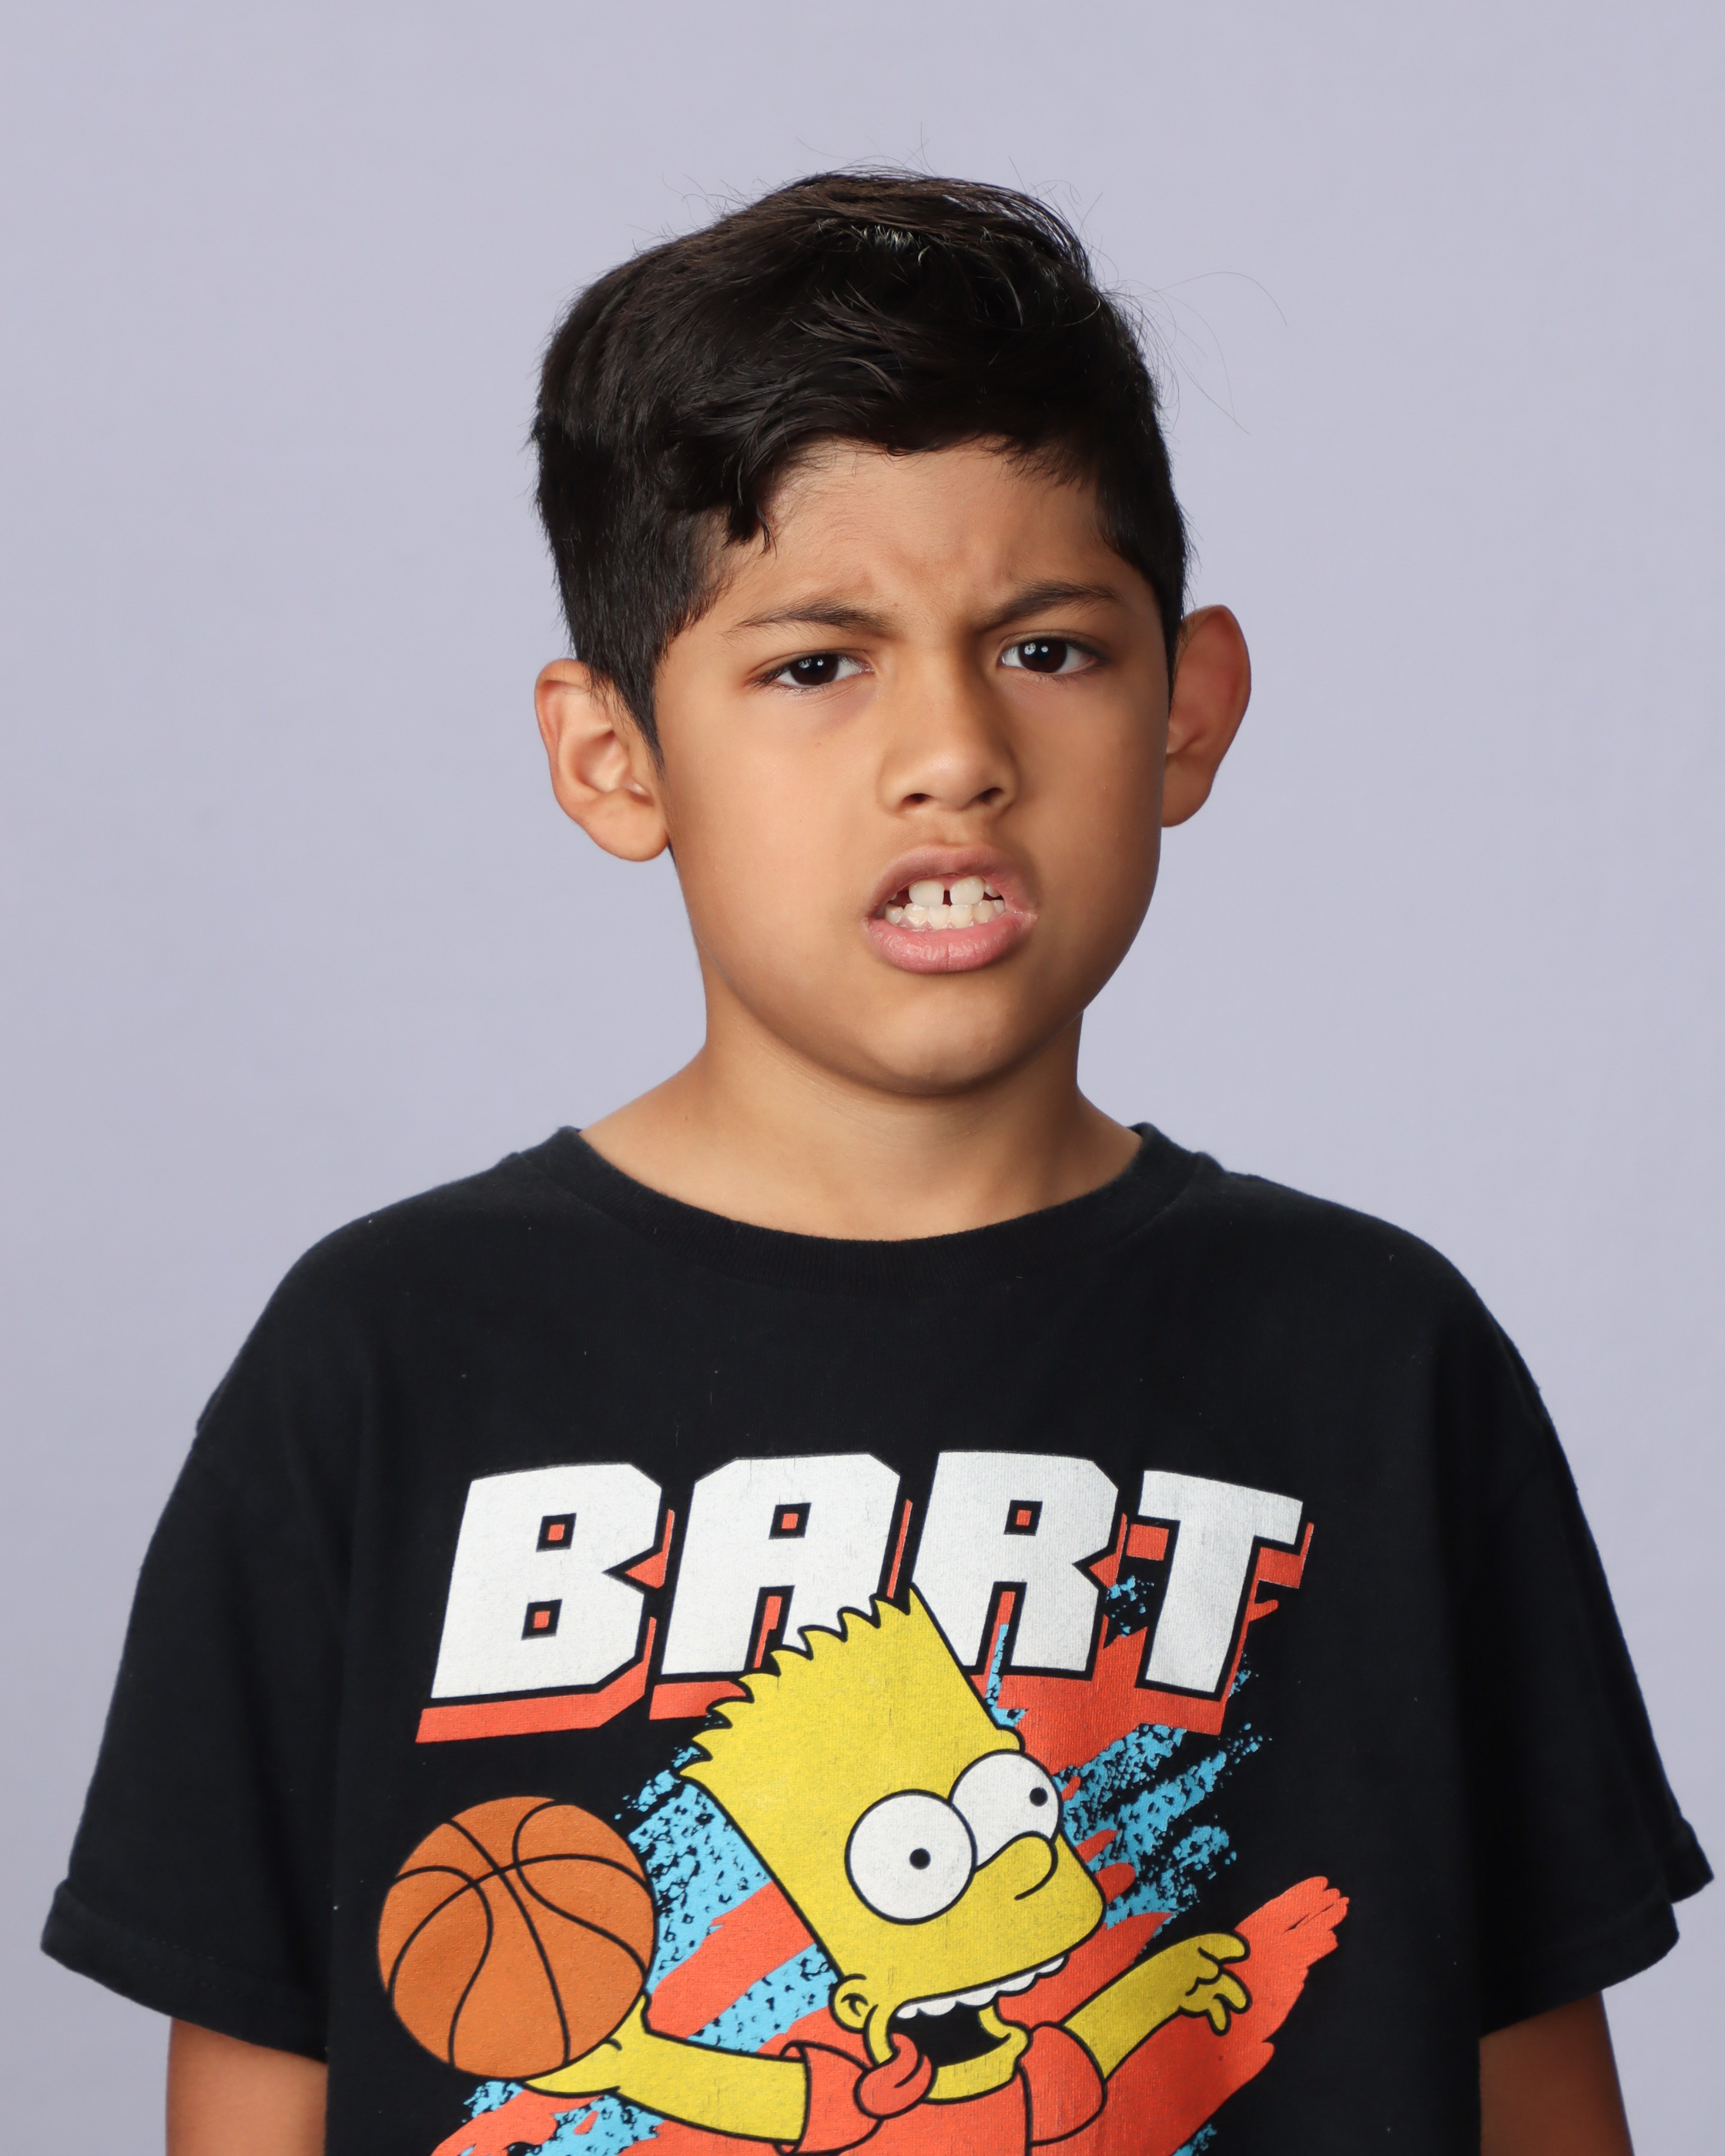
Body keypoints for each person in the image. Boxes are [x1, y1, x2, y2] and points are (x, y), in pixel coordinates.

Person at [44, 173, 1706, 2156]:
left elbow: (1532, 2083)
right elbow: (258, 2078)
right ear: (612, 756)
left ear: (1188, 710)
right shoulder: (382, 1360)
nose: (951, 749)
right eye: (816, 663)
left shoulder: (1376, 1357)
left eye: (1047, 648)